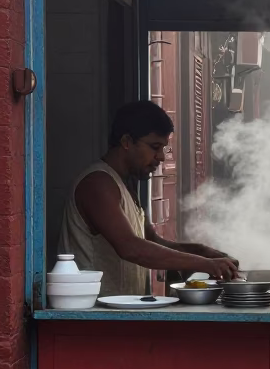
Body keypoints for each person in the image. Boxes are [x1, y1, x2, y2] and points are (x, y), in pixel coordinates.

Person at [58, 100, 239, 296]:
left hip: (118, 315)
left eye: (163, 148)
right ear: (127, 142)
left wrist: (201, 251)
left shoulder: (125, 184)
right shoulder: (98, 183)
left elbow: (151, 241)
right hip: (90, 315)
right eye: (155, 147)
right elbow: (130, 247)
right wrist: (206, 264)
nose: (161, 157)